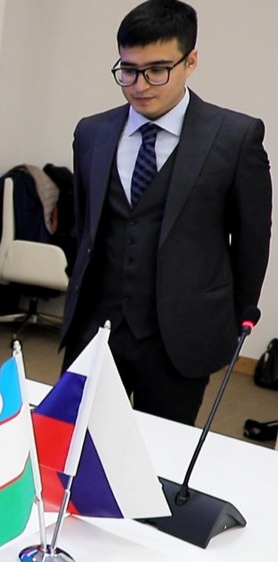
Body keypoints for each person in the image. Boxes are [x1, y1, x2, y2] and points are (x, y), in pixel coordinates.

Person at [60, 0, 271, 425]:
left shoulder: (235, 138)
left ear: (190, 61)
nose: (140, 85)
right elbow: (85, 228)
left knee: (160, 453)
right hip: (96, 332)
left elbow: (252, 241)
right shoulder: (91, 132)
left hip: (181, 340)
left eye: (157, 70)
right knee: (78, 444)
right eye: (128, 70)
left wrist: (232, 322)